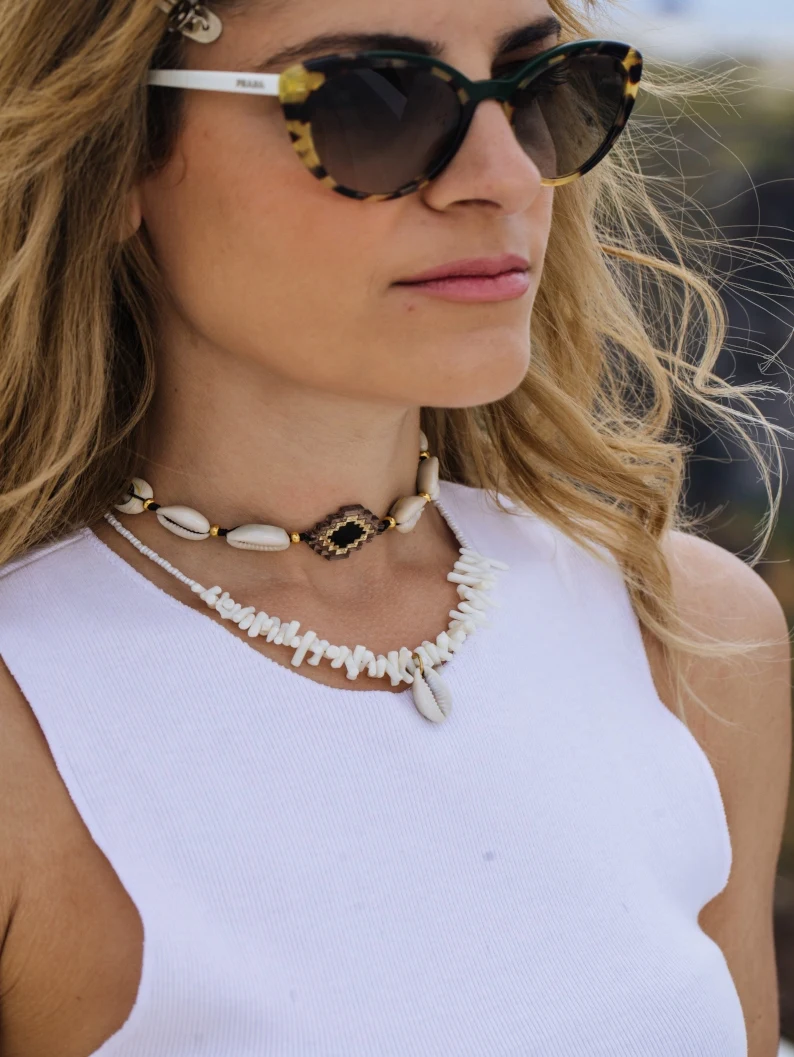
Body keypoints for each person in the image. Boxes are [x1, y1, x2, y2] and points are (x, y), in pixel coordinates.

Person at [0, 0, 790, 1054]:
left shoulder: (689, 637)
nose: (505, 176)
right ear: (115, 159)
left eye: (543, 91)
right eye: (373, 103)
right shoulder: (26, 730)